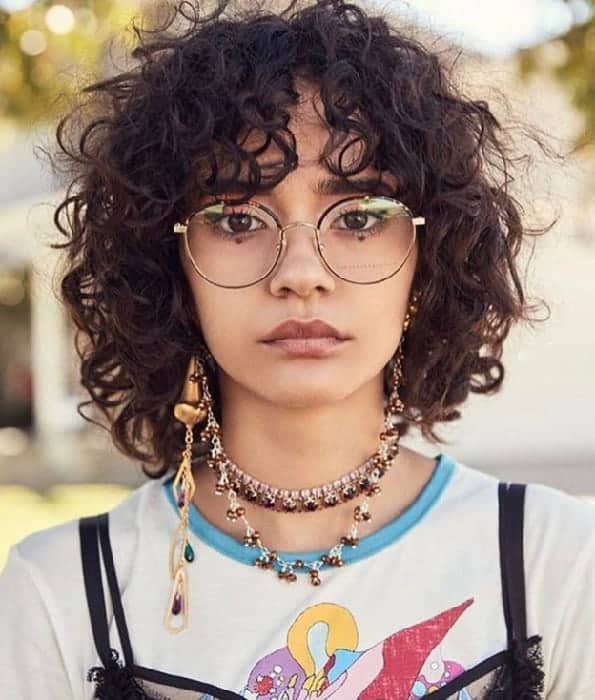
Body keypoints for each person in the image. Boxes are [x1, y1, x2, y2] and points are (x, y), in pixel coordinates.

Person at [1, 1, 594, 698]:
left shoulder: (551, 559)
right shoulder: (62, 590)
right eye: (236, 218)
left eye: (361, 216)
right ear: (169, 265)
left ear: (429, 258)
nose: (301, 272)